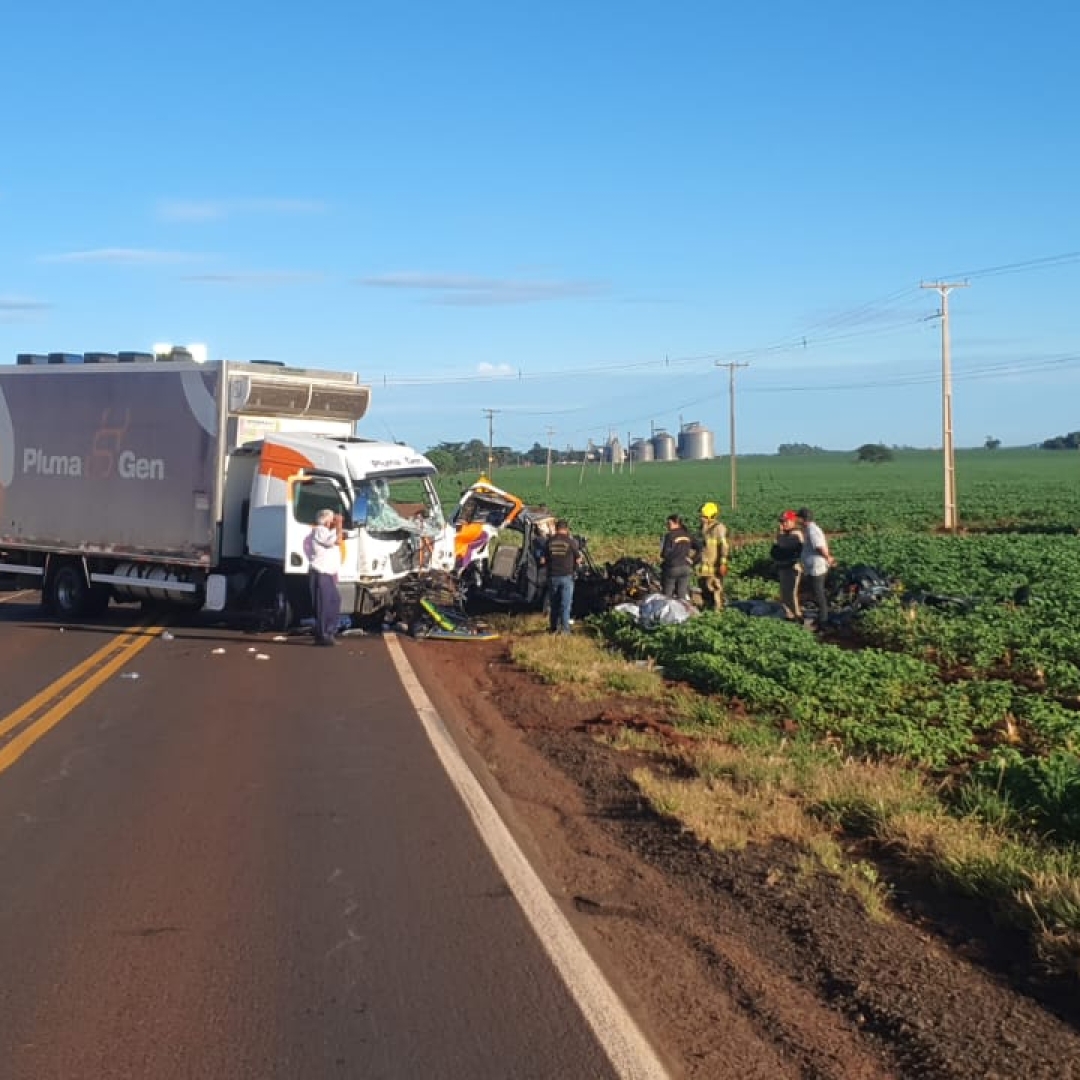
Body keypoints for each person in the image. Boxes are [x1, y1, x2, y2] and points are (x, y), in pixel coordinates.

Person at [304, 507, 343, 646]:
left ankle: (329, 631)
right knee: (324, 605)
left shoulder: (327, 531)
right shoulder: (320, 530)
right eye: (332, 520)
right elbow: (332, 541)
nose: (334, 522)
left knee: (334, 601)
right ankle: (323, 635)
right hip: (321, 573)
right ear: (326, 521)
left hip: (328, 573)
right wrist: (339, 525)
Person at [540, 518, 582, 634]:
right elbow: (578, 559)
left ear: (556, 528)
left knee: (554, 604)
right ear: (566, 529)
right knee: (565, 604)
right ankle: (565, 630)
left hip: (553, 577)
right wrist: (576, 567)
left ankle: (553, 628)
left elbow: (543, 560)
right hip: (566, 577)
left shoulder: (549, 542)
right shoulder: (570, 542)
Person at [797, 507, 835, 629]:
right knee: (816, 593)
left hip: (817, 567)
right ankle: (820, 617)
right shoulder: (809, 529)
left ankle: (824, 621)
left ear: (803, 519)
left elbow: (819, 547)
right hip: (813, 567)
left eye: (799, 518)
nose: (798, 520)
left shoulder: (812, 530)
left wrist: (828, 557)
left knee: (819, 594)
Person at [771, 509, 804, 620]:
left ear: (793, 521)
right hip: (783, 567)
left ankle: (797, 616)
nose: (783, 524)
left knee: (791, 593)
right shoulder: (785, 534)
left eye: (786, 521)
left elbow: (783, 546)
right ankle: (788, 614)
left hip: (792, 567)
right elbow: (775, 551)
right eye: (782, 521)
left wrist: (779, 535)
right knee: (784, 593)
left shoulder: (795, 534)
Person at [696, 501, 730, 611]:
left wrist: (723, 563)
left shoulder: (718, 528)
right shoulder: (703, 528)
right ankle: (707, 608)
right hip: (704, 567)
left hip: (714, 566)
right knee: (704, 588)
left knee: (716, 589)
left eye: (703, 516)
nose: (701, 518)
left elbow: (724, 546)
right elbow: (701, 547)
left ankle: (718, 611)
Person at [659, 514, 696, 600]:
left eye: (669, 523)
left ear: (675, 523)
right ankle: (682, 611)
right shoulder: (687, 535)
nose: (667, 525)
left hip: (673, 568)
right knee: (682, 594)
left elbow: (664, 554)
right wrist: (693, 560)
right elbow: (700, 547)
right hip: (686, 567)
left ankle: (667, 610)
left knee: (667, 594)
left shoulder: (669, 536)